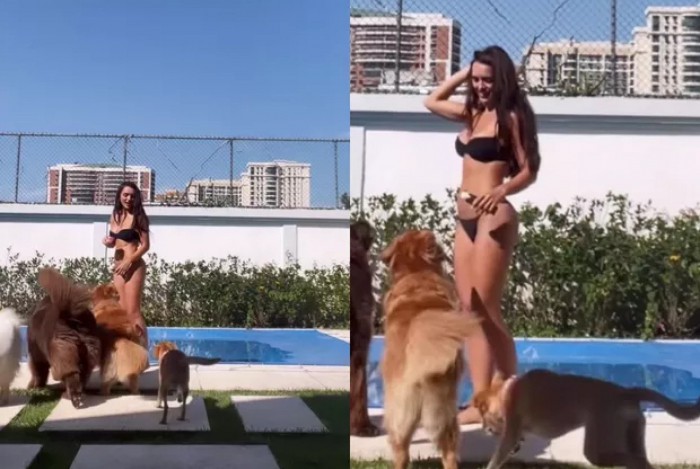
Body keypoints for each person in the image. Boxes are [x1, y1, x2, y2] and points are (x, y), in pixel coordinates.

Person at [423, 45, 541, 424]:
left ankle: (509, 392)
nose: (480, 86)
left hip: (493, 217)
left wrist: (502, 190)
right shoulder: (473, 114)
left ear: (501, 80)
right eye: (476, 80)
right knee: (468, 310)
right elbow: (431, 101)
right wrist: (465, 71)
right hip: (464, 219)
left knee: (487, 310)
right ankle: (479, 400)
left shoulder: (511, 118)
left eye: (487, 80)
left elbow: (529, 169)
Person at [102, 181, 151, 347]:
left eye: (132, 196)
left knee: (133, 312)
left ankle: (143, 352)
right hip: (119, 267)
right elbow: (115, 242)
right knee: (122, 312)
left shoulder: (139, 217)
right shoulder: (115, 215)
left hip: (133, 266)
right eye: (125, 195)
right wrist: (108, 242)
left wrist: (129, 261)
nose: (129, 199)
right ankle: (129, 351)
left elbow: (145, 245)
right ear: (119, 196)